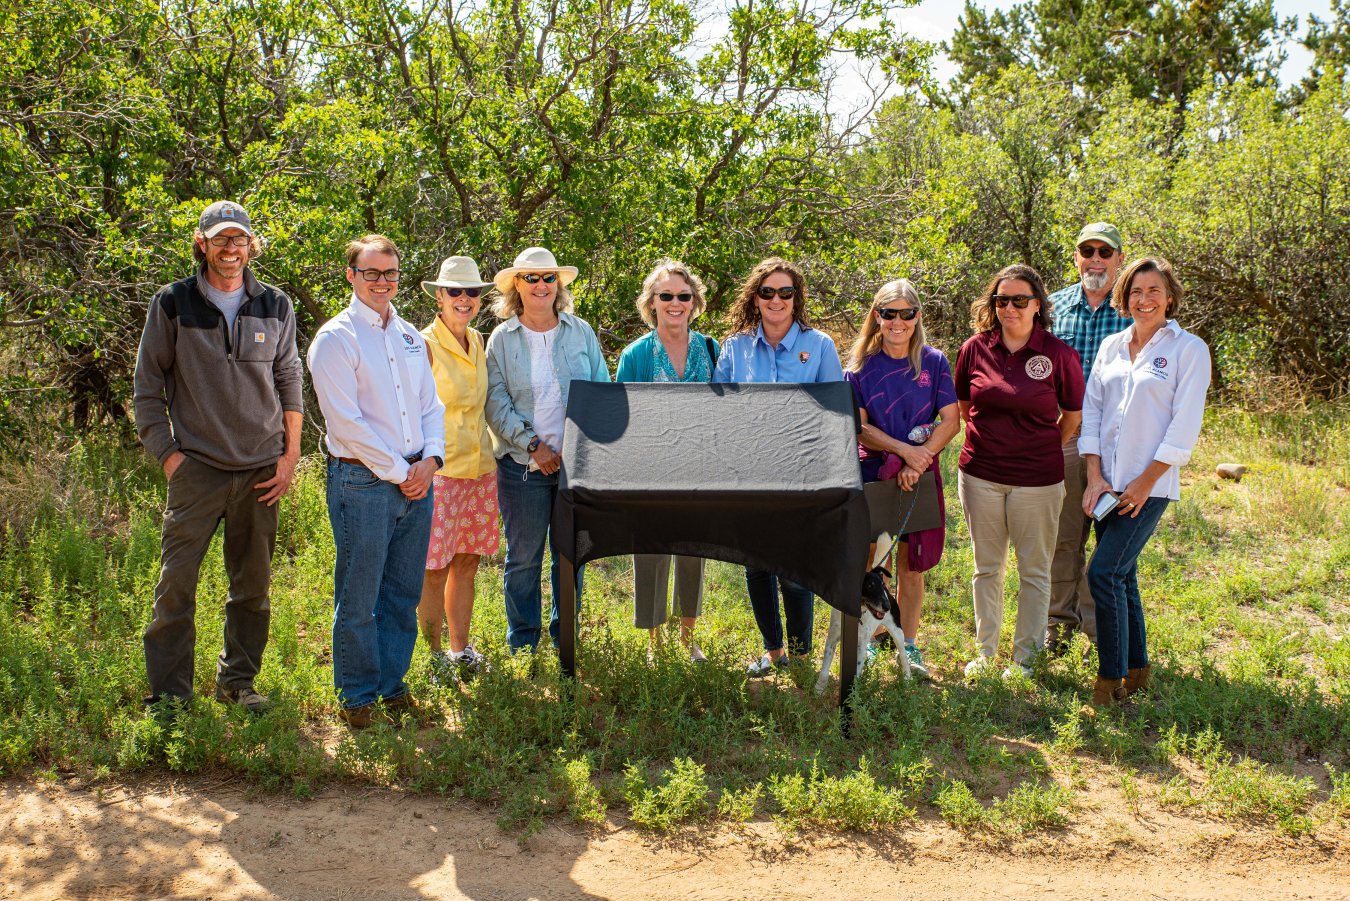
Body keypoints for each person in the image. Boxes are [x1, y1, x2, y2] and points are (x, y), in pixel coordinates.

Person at [134, 200, 303, 718]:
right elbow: (146, 388)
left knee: (252, 587)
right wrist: (169, 458)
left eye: (240, 239)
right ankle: (169, 698)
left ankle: (237, 684)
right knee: (176, 584)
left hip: (259, 469)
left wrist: (289, 455)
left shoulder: (275, 305)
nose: (231, 249)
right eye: (220, 239)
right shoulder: (173, 302)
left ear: (252, 245)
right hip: (197, 470)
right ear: (202, 243)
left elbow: (290, 380)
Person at [307, 235, 446, 730]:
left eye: (390, 273)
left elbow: (432, 406)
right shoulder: (335, 339)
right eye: (372, 273)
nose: (382, 282)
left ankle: (393, 687)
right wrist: (400, 471)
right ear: (352, 276)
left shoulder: (409, 336)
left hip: (417, 479)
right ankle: (358, 698)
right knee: (360, 594)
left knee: (402, 594)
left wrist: (430, 460)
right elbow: (345, 424)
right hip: (363, 482)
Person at [1081, 257, 1209, 709]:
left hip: (1149, 486)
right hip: (1107, 488)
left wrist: (1144, 481)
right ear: (1124, 297)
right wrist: (1094, 476)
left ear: (1169, 296)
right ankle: (1137, 672)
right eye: (1136, 291)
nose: (1145, 299)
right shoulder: (1111, 346)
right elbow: (1092, 412)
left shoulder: (1188, 349)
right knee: (1124, 576)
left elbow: (1183, 426)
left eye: (1154, 290)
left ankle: (1108, 683)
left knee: (1104, 572)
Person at [712, 257, 844, 677]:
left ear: (796, 298)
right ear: (755, 297)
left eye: (785, 292)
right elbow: (717, 408)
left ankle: (803, 657)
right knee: (756, 565)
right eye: (767, 292)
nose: (776, 300)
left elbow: (834, 412)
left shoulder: (820, 345)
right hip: (748, 474)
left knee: (793, 567)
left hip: (800, 472)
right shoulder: (734, 347)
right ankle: (774, 652)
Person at [954, 264, 1085, 681]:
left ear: (1038, 306)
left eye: (1019, 300)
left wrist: (1039, 447)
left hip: (1038, 480)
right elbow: (963, 408)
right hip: (980, 475)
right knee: (986, 568)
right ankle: (985, 652)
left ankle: (1025, 659)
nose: (1009, 308)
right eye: (1001, 300)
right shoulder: (974, 348)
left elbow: (1072, 416)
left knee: (1034, 570)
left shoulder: (1058, 354)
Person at [484, 247, 611, 654]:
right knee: (523, 559)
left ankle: (565, 641)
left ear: (558, 284)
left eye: (548, 277)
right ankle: (523, 646)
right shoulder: (501, 338)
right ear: (516, 285)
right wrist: (534, 445)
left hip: (576, 465)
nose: (541, 285)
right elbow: (495, 402)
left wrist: (585, 449)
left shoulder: (580, 332)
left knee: (570, 557)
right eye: (531, 278)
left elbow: (601, 389)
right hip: (522, 467)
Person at [844, 279, 959, 680]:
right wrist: (903, 451)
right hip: (875, 473)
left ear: (917, 317)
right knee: (876, 563)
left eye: (906, 314)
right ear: (876, 316)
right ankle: (875, 640)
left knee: (912, 566)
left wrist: (919, 458)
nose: (898, 322)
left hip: (920, 474)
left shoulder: (934, 361)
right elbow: (859, 429)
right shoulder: (858, 368)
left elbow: (951, 420)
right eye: (888, 313)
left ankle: (908, 646)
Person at [614, 259, 719, 662]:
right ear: (652, 303)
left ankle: (687, 639)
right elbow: (621, 420)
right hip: (651, 474)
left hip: (699, 471)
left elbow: (724, 411)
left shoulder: (711, 348)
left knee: (692, 555)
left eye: (683, 296)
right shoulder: (636, 355)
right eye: (666, 296)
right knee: (653, 556)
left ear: (694, 302)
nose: (675, 303)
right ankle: (656, 644)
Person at [1046, 222, 1133, 654]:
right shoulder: (1052, 306)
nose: (1096, 259)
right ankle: (1057, 625)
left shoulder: (1135, 309)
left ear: (1120, 258)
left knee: (1109, 541)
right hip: (1066, 438)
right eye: (1088, 251)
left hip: (1119, 446)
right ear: (1076, 257)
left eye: (1105, 251)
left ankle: (1101, 631)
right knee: (1064, 537)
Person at [416, 256, 500, 684]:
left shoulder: (479, 339)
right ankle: (432, 661)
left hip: (481, 468)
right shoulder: (422, 344)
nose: (464, 299)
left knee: (467, 562)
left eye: (472, 291)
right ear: (439, 295)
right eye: (455, 291)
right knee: (434, 567)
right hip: (441, 472)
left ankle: (459, 650)